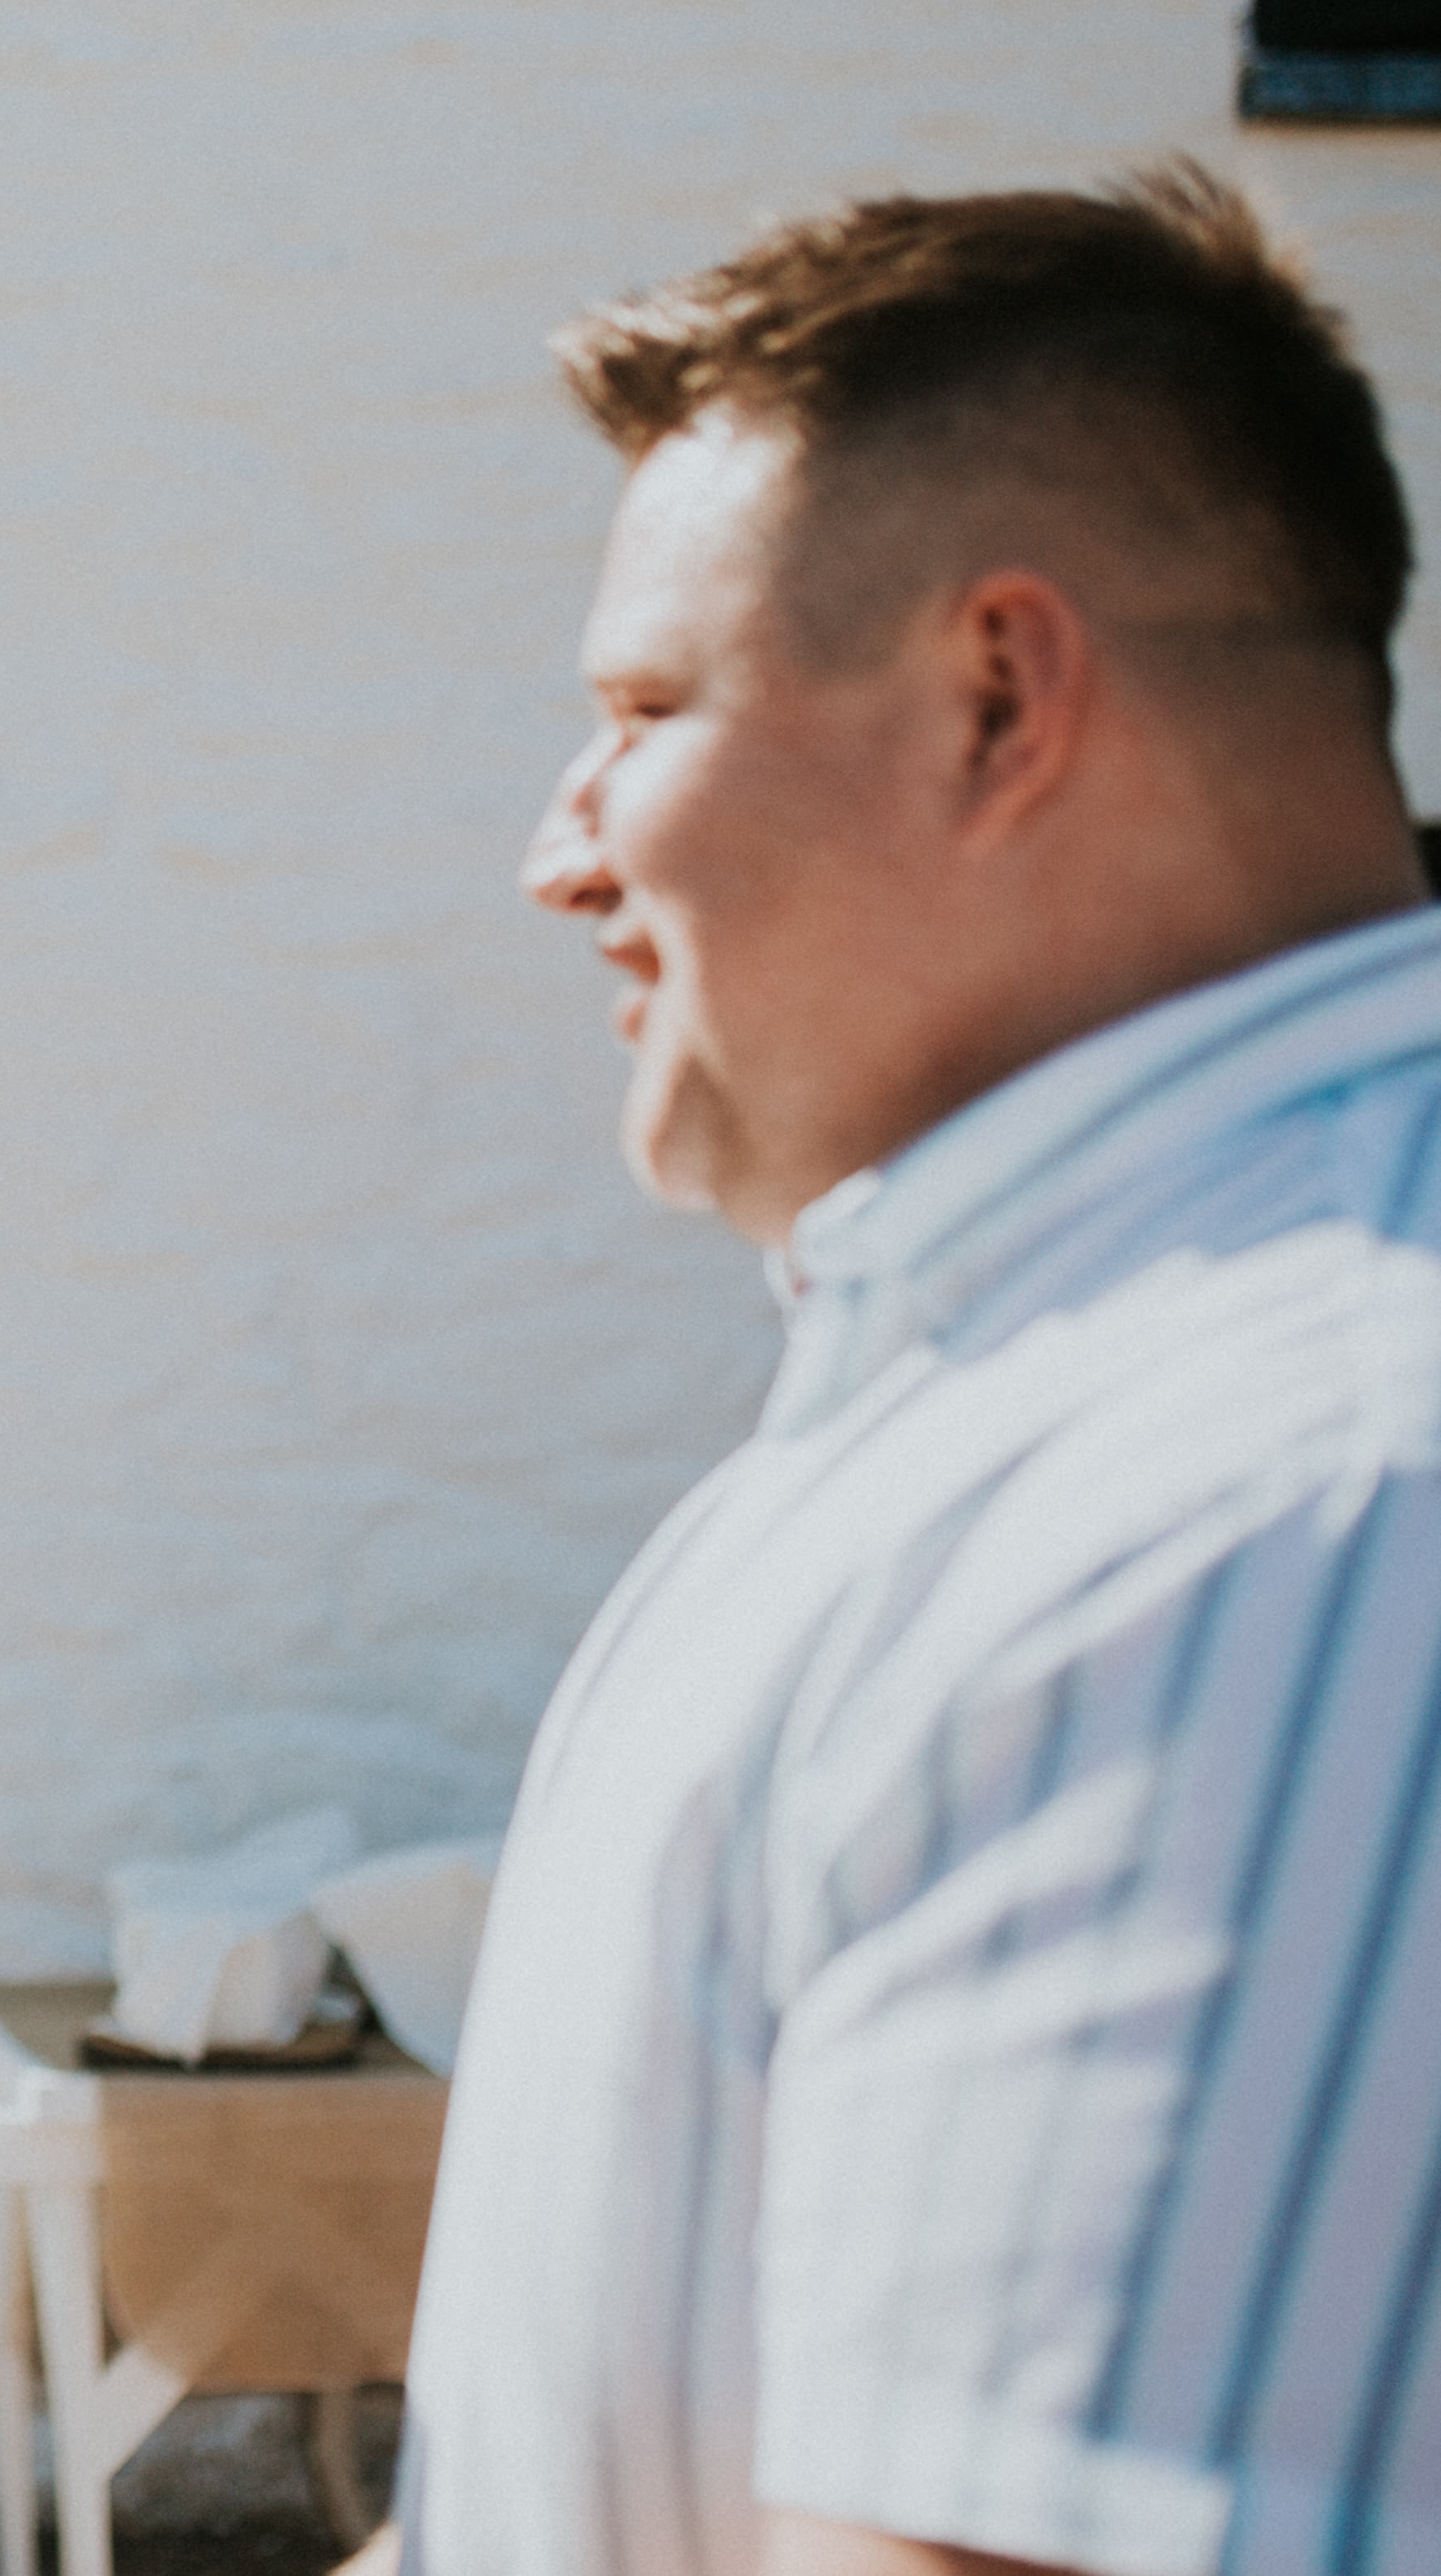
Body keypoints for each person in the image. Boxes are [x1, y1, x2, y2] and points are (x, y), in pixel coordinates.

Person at [397, 167, 1441, 2576]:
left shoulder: (1288, 1503)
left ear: (997, 697)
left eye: (642, 713)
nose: (558, 853)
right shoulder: (1002, 1413)